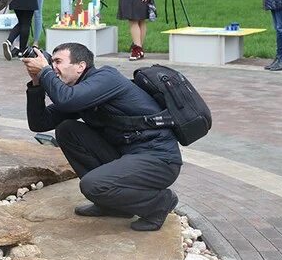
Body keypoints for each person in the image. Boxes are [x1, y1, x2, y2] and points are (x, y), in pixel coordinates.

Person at [21, 42, 181, 231]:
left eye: (58, 62)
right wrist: (37, 82)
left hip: (158, 159)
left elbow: (66, 99)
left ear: (81, 66)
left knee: (92, 185)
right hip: (127, 154)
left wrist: (45, 71)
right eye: (51, 62)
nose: (52, 67)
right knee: (67, 129)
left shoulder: (106, 78)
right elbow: (40, 123)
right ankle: (113, 206)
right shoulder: (79, 90)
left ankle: (159, 204)